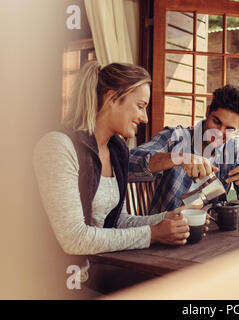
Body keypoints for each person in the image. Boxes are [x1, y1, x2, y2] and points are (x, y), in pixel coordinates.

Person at [33, 61, 205, 293]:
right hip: (49, 283)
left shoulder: (117, 150)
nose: (144, 117)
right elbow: (73, 238)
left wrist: (168, 219)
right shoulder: (59, 146)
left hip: (89, 271)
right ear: (112, 98)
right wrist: (153, 234)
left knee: (179, 287)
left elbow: (119, 222)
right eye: (140, 106)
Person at [129, 84, 239, 216]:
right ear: (208, 111)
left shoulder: (237, 151)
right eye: (216, 122)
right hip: (166, 231)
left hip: (211, 235)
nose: (219, 133)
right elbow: (128, 160)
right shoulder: (175, 137)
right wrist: (178, 158)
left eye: (229, 129)